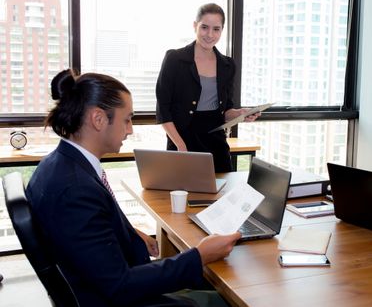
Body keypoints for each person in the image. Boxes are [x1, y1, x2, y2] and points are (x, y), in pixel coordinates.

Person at [26, 68, 241, 306]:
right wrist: (199, 256)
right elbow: (120, 286)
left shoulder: (58, 165)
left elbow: (87, 235)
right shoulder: (74, 190)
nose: (130, 130)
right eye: (127, 120)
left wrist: (128, 232)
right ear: (98, 119)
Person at [156, 3, 259, 173]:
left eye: (216, 29)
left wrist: (240, 114)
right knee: (184, 194)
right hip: (182, 140)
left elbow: (225, 110)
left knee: (222, 194)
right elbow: (163, 110)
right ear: (195, 26)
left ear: (222, 30)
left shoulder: (228, 64)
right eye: (204, 27)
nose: (210, 34)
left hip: (216, 142)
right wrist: (180, 146)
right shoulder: (175, 59)